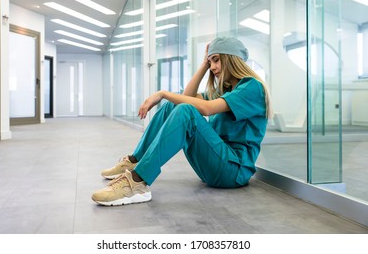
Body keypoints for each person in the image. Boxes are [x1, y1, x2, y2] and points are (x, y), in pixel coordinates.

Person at [91, 36, 273, 206]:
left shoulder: (252, 87)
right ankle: (135, 160)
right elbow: (186, 97)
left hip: (233, 171)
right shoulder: (225, 90)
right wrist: (203, 64)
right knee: (174, 105)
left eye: (216, 60)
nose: (213, 67)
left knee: (185, 109)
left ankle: (138, 182)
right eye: (210, 62)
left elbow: (205, 109)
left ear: (232, 59)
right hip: (215, 164)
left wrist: (162, 93)